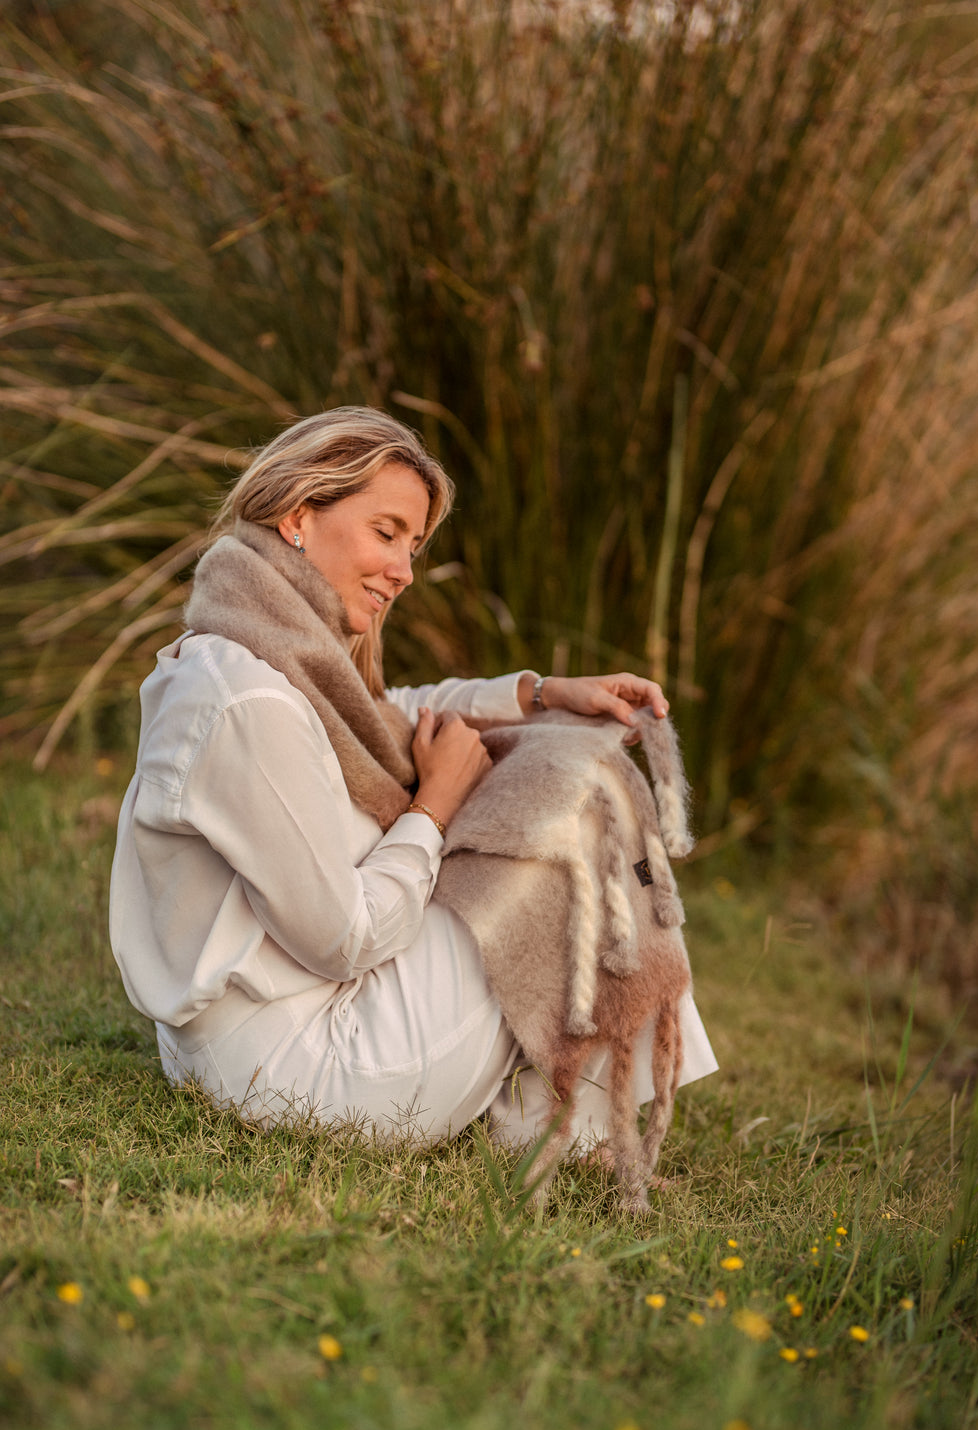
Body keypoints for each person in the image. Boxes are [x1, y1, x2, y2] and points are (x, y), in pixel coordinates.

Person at [109, 407, 716, 1153]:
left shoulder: (251, 647)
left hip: (237, 1040)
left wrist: (541, 695)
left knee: (556, 766)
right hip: (306, 1068)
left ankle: (557, 1109)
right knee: (579, 810)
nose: (404, 571)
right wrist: (432, 808)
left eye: (415, 544)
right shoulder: (249, 700)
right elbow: (345, 939)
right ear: (299, 516)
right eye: (386, 532)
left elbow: (378, 716)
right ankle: (572, 1127)